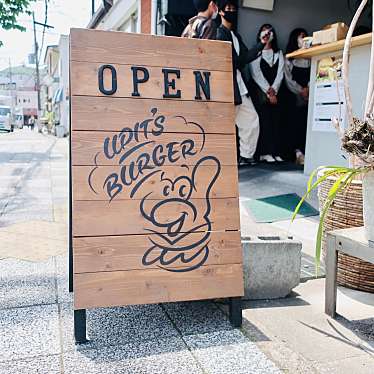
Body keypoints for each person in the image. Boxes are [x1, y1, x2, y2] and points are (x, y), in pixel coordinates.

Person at [216, 0, 265, 166]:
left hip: (239, 86)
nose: (232, 11)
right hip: (227, 86)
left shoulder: (236, 35)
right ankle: (228, 158)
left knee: (251, 120)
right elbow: (236, 60)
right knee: (225, 125)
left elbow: (244, 58)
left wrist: (260, 45)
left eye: (233, 8)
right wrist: (259, 46)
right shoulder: (219, 34)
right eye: (228, 9)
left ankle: (245, 155)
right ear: (220, 12)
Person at [250, 24, 285, 163]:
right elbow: (255, 73)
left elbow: (280, 74)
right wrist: (268, 91)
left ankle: (274, 151)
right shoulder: (256, 52)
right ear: (259, 34)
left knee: (276, 121)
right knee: (263, 121)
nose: (267, 33)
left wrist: (274, 90)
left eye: (270, 30)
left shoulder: (279, 53)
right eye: (264, 30)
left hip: (276, 93)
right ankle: (264, 152)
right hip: (260, 91)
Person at [284, 28, 311, 165]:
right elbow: (288, 79)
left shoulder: (310, 57)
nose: (302, 39)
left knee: (305, 125)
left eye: (304, 36)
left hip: (309, 98)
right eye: (300, 37)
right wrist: (301, 90)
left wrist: (308, 89)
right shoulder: (289, 57)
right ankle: (296, 153)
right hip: (294, 97)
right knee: (294, 125)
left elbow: (313, 74)